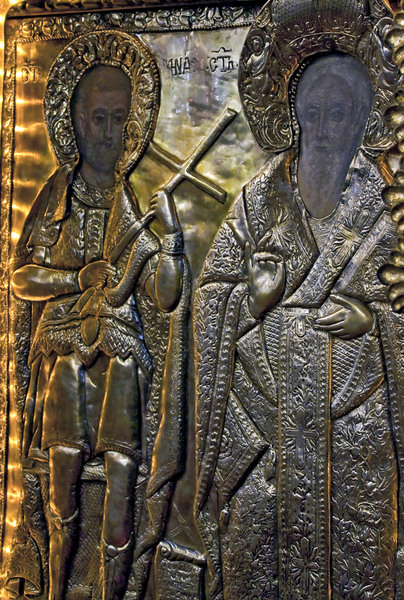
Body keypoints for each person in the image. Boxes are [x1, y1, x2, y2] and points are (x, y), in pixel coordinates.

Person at [194, 51, 404, 600]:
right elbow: (210, 299)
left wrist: (375, 321)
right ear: (293, 114)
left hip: (355, 445)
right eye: (311, 113)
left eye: (336, 114)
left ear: (361, 119)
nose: (321, 129)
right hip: (264, 440)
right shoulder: (257, 202)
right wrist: (251, 301)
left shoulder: (390, 207)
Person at [11, 59, 184, 600]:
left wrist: (172, 239)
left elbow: (165, 295)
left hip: (120, 358)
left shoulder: (131, 205)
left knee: (121, 488)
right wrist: (75, 277)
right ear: (77, 123)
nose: (110, 133)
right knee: (60, 489)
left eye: (120, 120)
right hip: (64, 352)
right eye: (99, 119)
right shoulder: (55, 197)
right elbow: (20, 278)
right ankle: (54, 591)